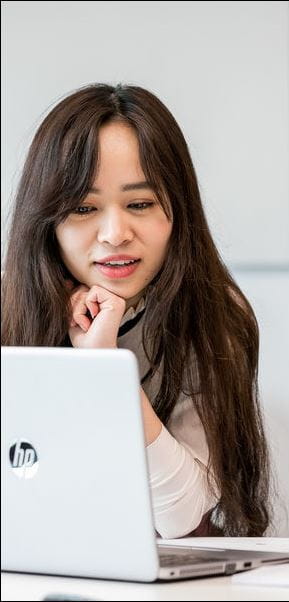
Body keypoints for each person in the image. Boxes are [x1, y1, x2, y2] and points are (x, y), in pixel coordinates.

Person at [1, 83, 271, 539]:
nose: (114, 233)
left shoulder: (212, 316)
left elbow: (179, 517)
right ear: (46, 220)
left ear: (178, 211)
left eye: (140, 204)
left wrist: (106, 366)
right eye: (84, 207)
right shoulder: (11, 308)